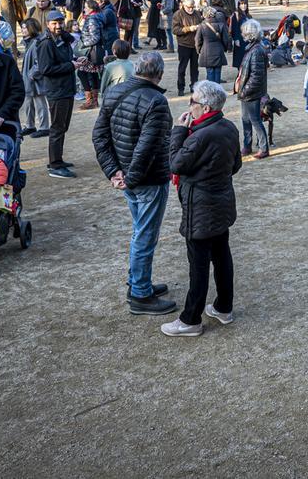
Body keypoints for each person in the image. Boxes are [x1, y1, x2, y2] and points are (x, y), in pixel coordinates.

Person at [92, 51, 177, 316]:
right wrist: (124, 176)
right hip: (146, 179)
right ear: (159, 74)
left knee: (140, 231)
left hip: (129, 176)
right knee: (145, 234)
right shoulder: (156, 101)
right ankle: (140, 292)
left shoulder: (115, 93)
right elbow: (147, 147)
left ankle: (138, 282)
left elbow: (99, 136)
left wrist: (114, 172)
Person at [161, 81, 242, 337]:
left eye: (192, 101)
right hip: (221, 203)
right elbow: (235, 165)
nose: (189, 106)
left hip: (201, 207)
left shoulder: (199, 135)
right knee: (221, 256)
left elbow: (175, 163)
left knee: (198, 265)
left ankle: (191, 319)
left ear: (204, 106)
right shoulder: (228, 127)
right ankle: (223, 307)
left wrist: (177, 132)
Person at [35, 11, 78, 179]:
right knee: (57, 128)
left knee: (63, 127)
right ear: (47, 24)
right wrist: (71, 66)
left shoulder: (62, 39)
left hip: (66, 89)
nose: (58, 26)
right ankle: (55, 165)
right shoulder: (46, 43)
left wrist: (74, 61)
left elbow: (66, 55)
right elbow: (45, 69)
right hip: (57, 91)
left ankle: (57, 158)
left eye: (60, 22)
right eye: (54, 23)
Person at [235, 19, 270, 158]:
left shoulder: (256, 51)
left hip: (251, 92)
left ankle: (264, 148)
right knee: (245, 119)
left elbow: (256, 76)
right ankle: (247, 145)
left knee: (255, 120)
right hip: (247, 92)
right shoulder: (253, 48)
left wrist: (244, 90)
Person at [19, 18, 50, 138]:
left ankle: (44, 127)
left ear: (31, 28)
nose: (22, 30)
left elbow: (40, 62)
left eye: (25, 28)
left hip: (36, 79)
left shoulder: (37, 42)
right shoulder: (28, 42)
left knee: (40, 103)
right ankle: (30, 125)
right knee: (28, 103)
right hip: (27, 79)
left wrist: (32, 74)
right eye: (22, 27)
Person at [75, 0, 105, 108]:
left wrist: (83, 44)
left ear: (91, 8)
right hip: (93, 51)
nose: (84, 9)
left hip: (90, 51)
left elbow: (95, 38)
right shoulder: (96, 17)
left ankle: (90, 101)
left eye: (86, 7)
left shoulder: (92, 19)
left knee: (82, 73)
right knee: (92, 75)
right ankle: (93, 101)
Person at [172, 0, 203, 95]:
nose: (191, 9)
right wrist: (189, 29)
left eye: (192, 7)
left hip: (195, 45)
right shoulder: (178, 14)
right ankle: (181, 87)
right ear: (184, 5)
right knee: (182, 68)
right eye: (189, 7)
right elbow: (175, 30)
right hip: (183, 45)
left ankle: (194, 86)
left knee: (195, 69)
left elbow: (202, 24)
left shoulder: (197, 13)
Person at [195, 6, 232, 84]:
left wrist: (199, 50)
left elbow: (197, 39)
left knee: (210, 72)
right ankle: (217, 90)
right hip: (218, 50)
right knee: (218, 72)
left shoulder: (202, 26)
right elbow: (226, 39)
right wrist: (225, 48)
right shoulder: (221, 25)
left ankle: (211, 91)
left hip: (206, 50)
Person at [229, 0, 252, 68]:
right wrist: (236, 39)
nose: (243, 6)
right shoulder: (236, 15)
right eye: (241, 4)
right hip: (240, 39)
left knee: (247, 56)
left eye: (245, 4)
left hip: (248, 39)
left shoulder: (248, 15)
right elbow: (234, 28)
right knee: (240, 58)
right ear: (238, 5)